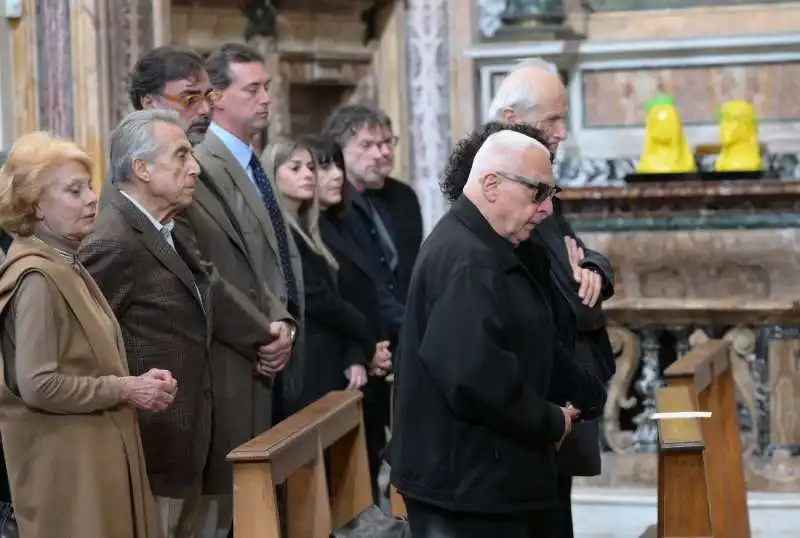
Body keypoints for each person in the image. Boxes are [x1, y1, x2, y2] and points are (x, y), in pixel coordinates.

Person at [391, 126, 607, 538]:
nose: (546, 210)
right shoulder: (466, 258)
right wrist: (549, 420)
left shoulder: (493, 246)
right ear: (491, 184)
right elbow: (473, 377)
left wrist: (587, 393)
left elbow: (529, 336)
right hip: (465, 489)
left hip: (490, 480)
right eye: (537, 193)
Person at [80, 110, 284, 538]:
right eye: (181, 157)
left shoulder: (164, 228)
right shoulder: (113, 241)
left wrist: (268, 334)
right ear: (142, 169)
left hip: (184, 444)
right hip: (151, 449)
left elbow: (207, 293)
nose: (194, 168)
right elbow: (83, 348)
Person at [0, 131, 175, 538]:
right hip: (69, 476)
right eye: (74, 191)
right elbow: (39, 385)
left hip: (92, 464)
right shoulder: (37, 278)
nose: (93, 198)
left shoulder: (65, 263)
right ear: (35, 206)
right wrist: (125, 389)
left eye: (91, 186)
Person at [486, 58, 617, 538]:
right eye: (551, 120)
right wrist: (572, 272)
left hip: (558, 387)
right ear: (510, 122)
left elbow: (578, 253)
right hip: (534, 396)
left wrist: (594, 269)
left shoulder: (538, 184)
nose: (563, 132)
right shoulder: (501, 195)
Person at [182, 42, 302, 535]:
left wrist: (287, 324)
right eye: (251, 89)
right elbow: (217, 269)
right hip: (241, 358)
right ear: (215, 98)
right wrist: (265, 333)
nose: (265, 99)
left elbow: (275, 256)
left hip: (278, 346)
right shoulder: (202, 164)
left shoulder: (255, 161)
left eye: (267, 88)